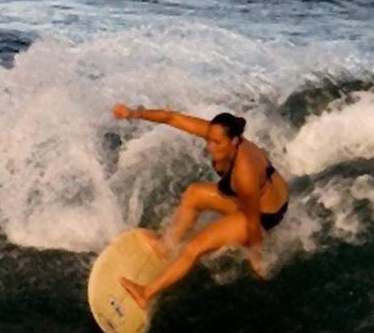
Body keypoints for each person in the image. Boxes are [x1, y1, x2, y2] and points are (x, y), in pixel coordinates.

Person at [109, 104, 290, 307]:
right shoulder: (221, 137)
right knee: (194, 193)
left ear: (234, 141)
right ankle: (166, 248)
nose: (210, 146)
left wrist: (256, 256)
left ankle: (145, 293)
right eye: (209, 139)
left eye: (217, 142)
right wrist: (133, 113)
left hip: (265, 214)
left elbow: (253, 221)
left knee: (194, 247)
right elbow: (171, 117)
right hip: (257, 195)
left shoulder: (245, 174)